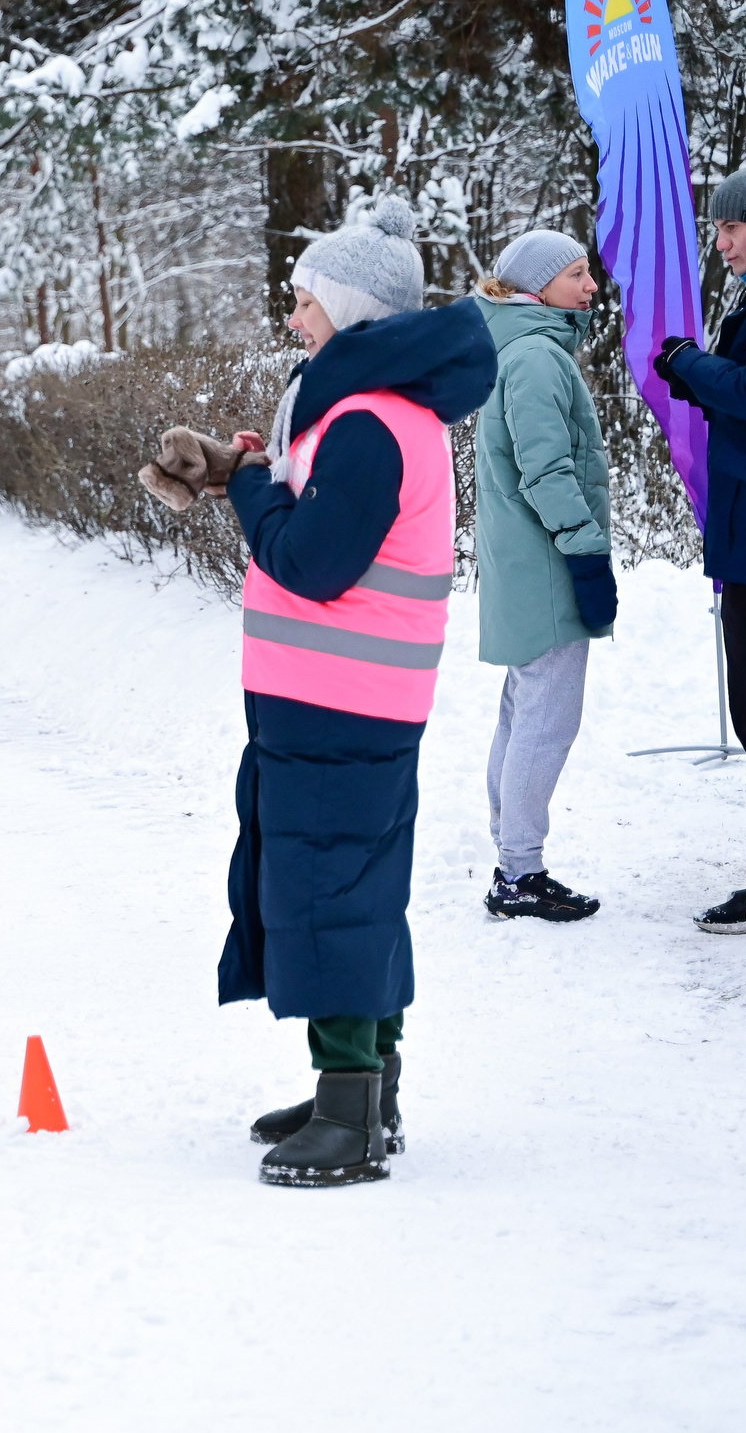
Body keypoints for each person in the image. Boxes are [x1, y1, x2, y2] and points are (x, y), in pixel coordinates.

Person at [214, 198, 495, 1187]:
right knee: (350, 883)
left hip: (340, 696)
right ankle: (366, 1084)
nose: (293, 317)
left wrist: (247, 487)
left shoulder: (371, 421)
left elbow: (313, 560)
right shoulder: (368, 409)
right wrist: (266, 468)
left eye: (303, 299)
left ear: (346, 306)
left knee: (328, 886)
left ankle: (347, 1113)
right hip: (338, 693)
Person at [470, 229, 610, 922]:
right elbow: (547, 470)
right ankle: (519, 870)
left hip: (523, 562)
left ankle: (512, 854)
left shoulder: (517, 347)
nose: (591, 287)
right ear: (537, 286)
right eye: (578, 274)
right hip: (547, 565)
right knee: (546, 719)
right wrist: (585, 552)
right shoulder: (533, 356)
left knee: (522, 710)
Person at [652, 167, 746, 932]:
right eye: (717, 229)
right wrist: (695, 372)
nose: (719, 242)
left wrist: (691, 364)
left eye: (732, 227)